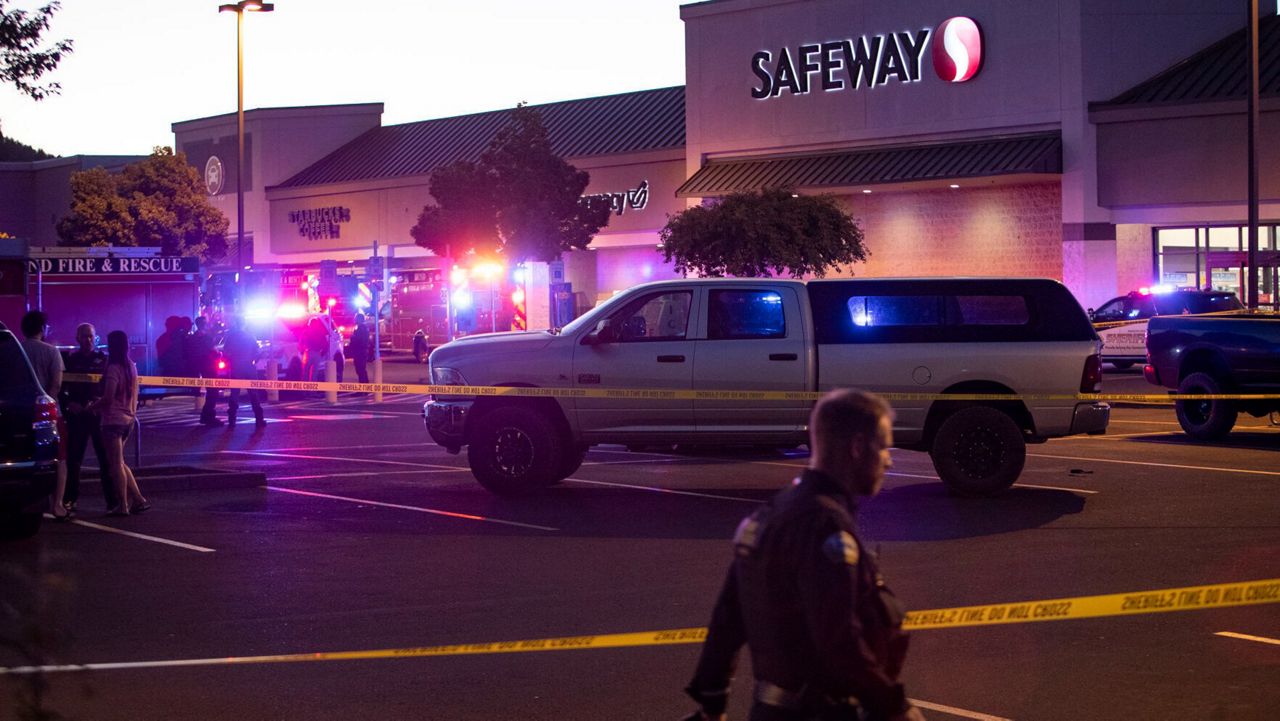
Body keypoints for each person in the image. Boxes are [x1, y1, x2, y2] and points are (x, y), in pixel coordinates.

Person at [682, 389, 925, 721]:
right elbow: (837, 640)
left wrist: (712, 699)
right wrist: (894, 706)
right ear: (856, 447)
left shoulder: (770, 513)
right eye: (882, 446)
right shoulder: (823, 525)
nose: (889, 459)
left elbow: (729, 616)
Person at [88, 330, 149, 517]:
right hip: (129, 419)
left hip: (113, 420)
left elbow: (108, 397)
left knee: (115, 464)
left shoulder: (113, 368)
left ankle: (122, 505)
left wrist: (92, 406)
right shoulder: (131, 365)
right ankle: (138, 499)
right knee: (119, 461)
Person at [60, 323, 118, 512]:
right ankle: (70, 499)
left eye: (91, 336)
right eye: (84, 336)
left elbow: (111, 389)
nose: (88, 340)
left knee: (105, 459)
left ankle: (112, 501)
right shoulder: (70, 360)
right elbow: (61, 388)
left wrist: (99, 402)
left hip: (97, 415)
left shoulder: (104, 360)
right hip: (77, 415)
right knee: (74, 459)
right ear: (77, 338)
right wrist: (69, 404)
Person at [20, 310, 70, 520]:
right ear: (42, 328)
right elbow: (56, 384)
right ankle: (57, 504)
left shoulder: (17, 350)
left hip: (21, 412)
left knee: (25, 457)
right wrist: (47, 402)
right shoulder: (51, 352)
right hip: (49, 413)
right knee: (59, 458)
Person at [222, 315, 266, 428]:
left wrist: (231, 360)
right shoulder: (250, 336)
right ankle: (259, 419)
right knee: (254, 393)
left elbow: (225, 352)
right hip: (249, 367)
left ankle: (232, 421)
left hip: (236, 366)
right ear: (244, 323)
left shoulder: (231, 337)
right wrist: (254, 360)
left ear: (236, 323)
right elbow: (257, 352)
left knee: (234, 394)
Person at [190, 316, 223, 426]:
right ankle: (209, 417)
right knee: (213, 392)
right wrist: (219, 354)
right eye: (206, 323)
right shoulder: (206, 337)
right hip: (209, 366)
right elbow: (214, 351)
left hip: (199, 366)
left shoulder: (193, 337)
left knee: (211, 392)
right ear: (204, 324)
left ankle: (205, 416)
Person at [348, 312, 371, 385]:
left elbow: (360, 340)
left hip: (360, 352)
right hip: (361, 351)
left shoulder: (361, 328)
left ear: (359, 319)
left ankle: (363, 388)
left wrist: (352, 338)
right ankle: (365, 387)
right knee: (361, 370)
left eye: (356, 318)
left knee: (360, 370)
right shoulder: (361, 328)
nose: (355, 320)